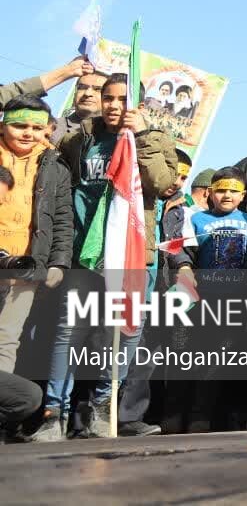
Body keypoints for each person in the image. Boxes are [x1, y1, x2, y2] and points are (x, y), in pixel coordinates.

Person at [33, 73, 179, 441]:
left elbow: (162, 184)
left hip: (130, 253)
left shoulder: (157, 139)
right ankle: (54, 413)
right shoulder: (81, 136)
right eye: (108, 98)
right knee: (68, 332)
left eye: (122, 100)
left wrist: (143, 136)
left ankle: (102, 405)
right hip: (85, 253)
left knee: (126, 331)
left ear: (139, 105)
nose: (114, 106)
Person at [164, 167, 247, 431]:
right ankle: (172, 420)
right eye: (220, 190)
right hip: (198, 302)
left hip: (233, 306)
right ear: (210, 193)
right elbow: (180, 248)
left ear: (242, 195)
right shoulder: (196, 219)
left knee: (215, 365)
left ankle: (201, 420)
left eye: (233, 190)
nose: (226, 195)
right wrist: (183, 266)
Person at [116, 149, 193, 437]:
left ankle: (130, 417)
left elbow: (173, 244)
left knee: (147, 353)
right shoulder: (136, 197)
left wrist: (184, 264)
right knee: (116, 349)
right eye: (174, 174)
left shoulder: (177, 206)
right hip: (130, 281)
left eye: (184, 176)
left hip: (160, 288)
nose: (178, 181)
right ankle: (89, 414)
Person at [0, 97, 73, 373]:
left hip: (25, 269)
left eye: (36, 127)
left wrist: (58, 262)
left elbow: (64, 219)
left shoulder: (56, 167)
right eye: (19, 125)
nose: (28, 133)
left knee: (6, 340)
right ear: (4, 124)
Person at [50, 69, 108, 145]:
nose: (87, 93)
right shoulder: (52, 127)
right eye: (82, 87)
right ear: (75, 93)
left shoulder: (117, 132)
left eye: (97, 89)